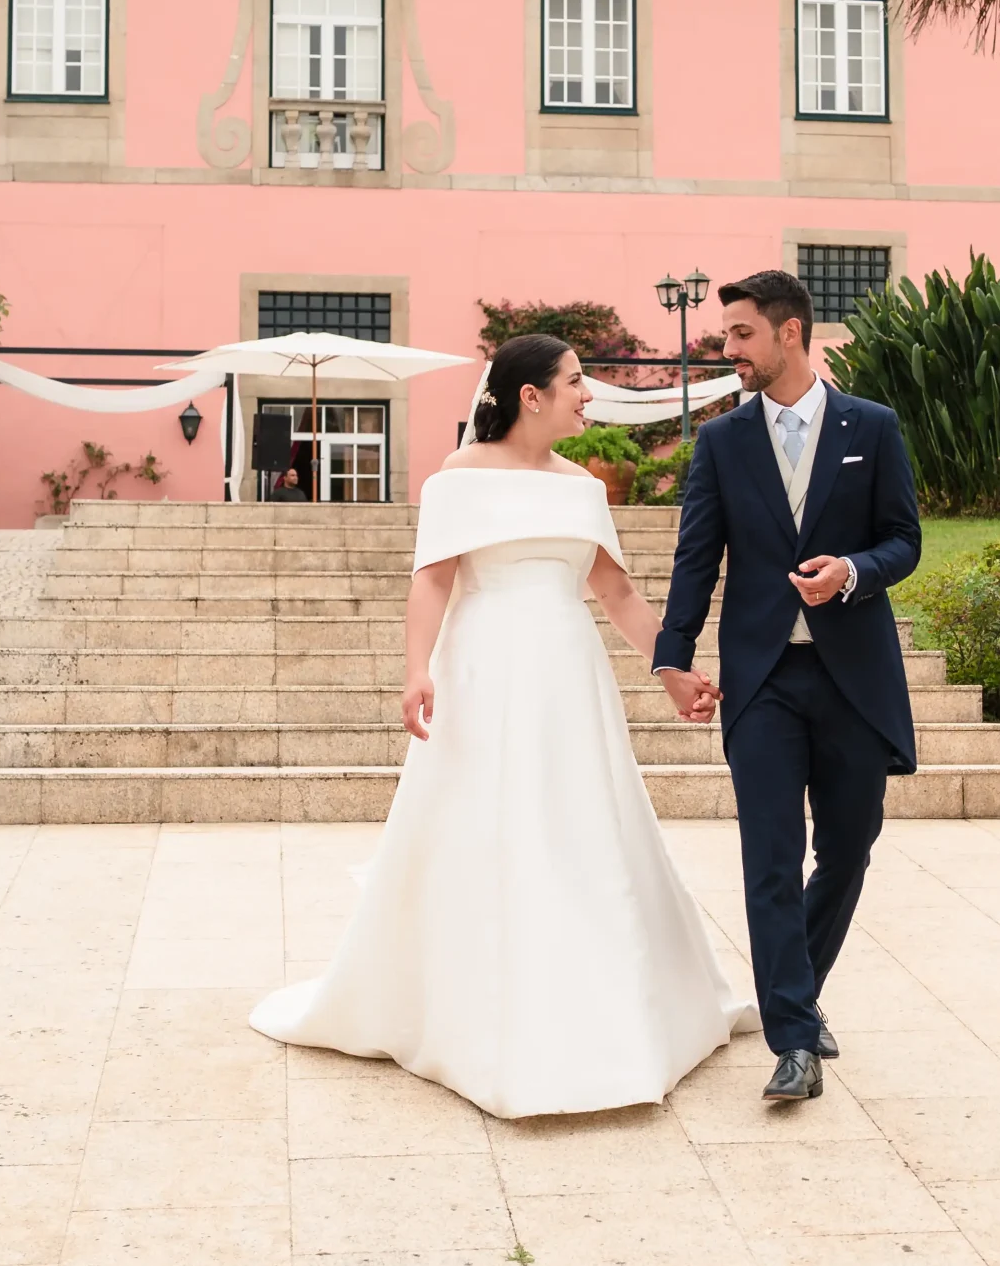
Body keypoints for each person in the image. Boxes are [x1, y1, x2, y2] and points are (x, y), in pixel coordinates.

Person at [248, 334, 755, 1117]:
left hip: (568, 672)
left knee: (584, 821)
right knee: (485, 819)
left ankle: (607, 997)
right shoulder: (459, 477)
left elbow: (616, 593)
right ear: (530, 395)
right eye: (577, 382)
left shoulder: (584, 487)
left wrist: (672, 671)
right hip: (484, 664)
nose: (590, 395)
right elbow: (433, 579)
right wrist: (417, 669)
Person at [656, 271, 922, 1102]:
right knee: (768, 858)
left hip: (854, 680)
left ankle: (795, 989)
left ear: (791, 333)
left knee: (847, 849)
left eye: (740, 335)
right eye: (726, 336)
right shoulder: (722, 442)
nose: (727, 349)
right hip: (763, 679)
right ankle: (795, 1041)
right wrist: (672, 658)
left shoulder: (872, 428)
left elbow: (905, 540)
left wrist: (853, 571)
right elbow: (697, 557)